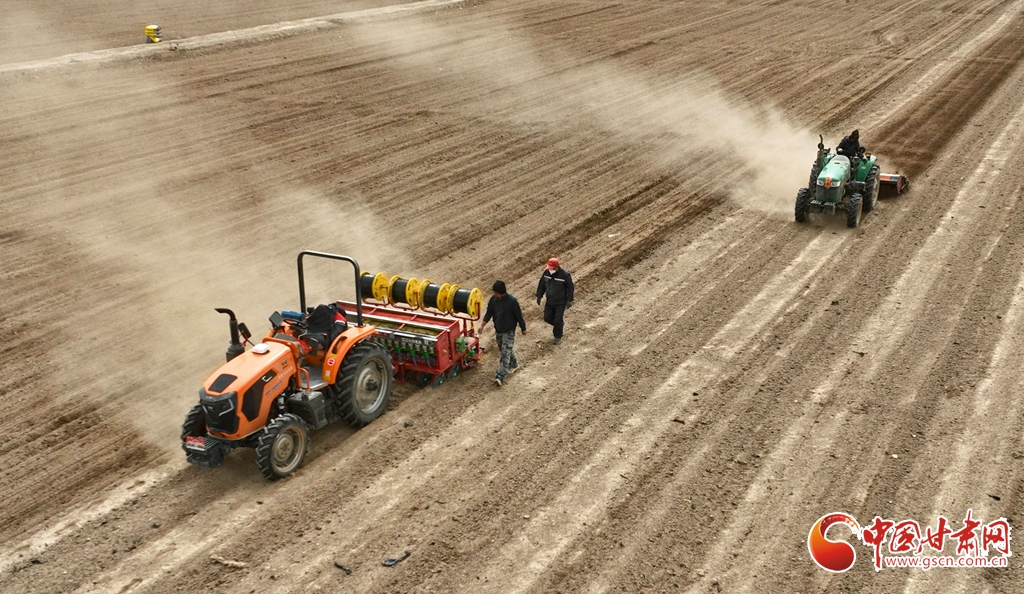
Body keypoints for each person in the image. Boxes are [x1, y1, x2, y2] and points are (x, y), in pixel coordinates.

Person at [479, 280, 526, 387]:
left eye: (496, 292)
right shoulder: (493, 300)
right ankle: (514, 364)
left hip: (509, 331)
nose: (494, 294)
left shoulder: (512, 302)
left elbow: (519, 316)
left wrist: (523, 328)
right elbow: (489, 312)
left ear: (501, 292)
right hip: (499, 330)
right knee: (504, 349)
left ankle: (499, 376)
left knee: (505, 353)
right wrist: (482, 325)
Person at [536, 257, 574, 345]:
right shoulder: (546, 273)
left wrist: (569, 300)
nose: (550, 270)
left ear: (557, 267)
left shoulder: (565, 275)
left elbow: (570, 288)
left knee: (557, 320)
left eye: (552, 268)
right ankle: (559, 326)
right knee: (547, 318)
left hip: (560, 302)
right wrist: (539, 295)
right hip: (549, 301)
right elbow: (541, 284)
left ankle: (558, 336)